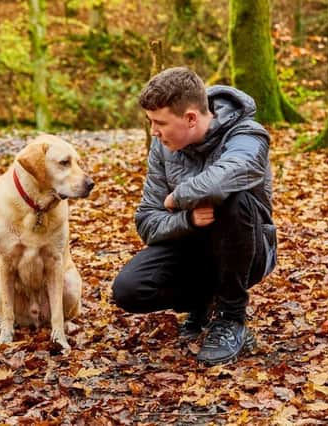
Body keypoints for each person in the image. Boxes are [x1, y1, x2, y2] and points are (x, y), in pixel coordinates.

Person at [112, 67, 277, 366]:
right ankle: (202, 303)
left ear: (190, 118)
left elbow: (232, 172)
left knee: (232, 197)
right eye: (150, 122)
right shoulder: (163, 149)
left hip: (246, 251)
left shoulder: (248, 134)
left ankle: (231, 317)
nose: (154, 132)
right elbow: (148, 220)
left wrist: (178, 198)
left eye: (160, 123)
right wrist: (187, 220)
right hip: (189, 247)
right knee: (129, 289)